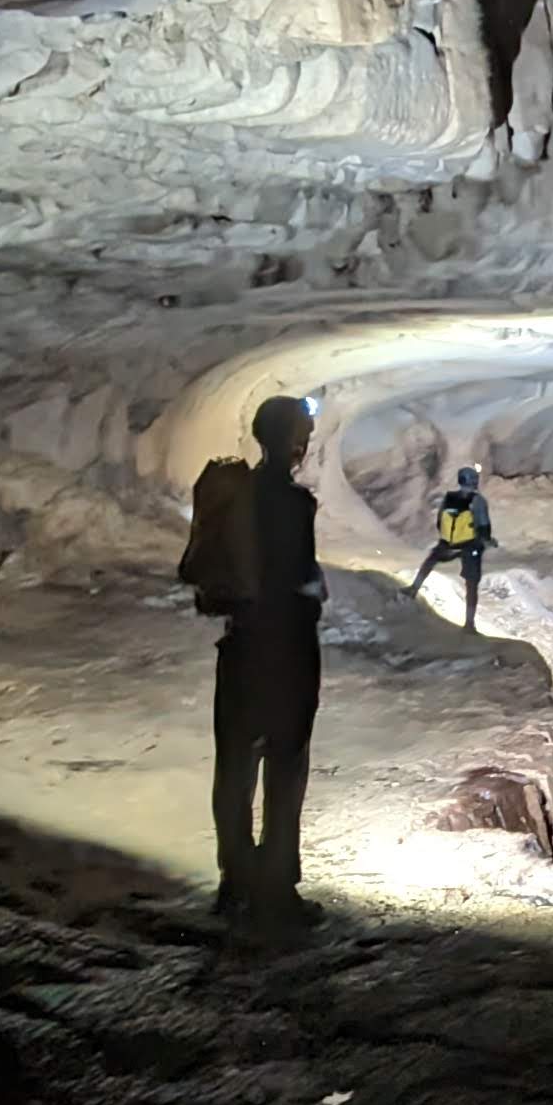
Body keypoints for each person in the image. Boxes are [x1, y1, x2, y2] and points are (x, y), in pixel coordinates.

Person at [180, 394, 326, 928]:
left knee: (235, 768)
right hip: (288, 648)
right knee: (285, 766)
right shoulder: (295, 504)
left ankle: (235, 884)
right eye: (304, 430)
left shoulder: (237, 495)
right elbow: (297, 576)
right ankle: (277, 888)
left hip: (241, 646)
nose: (307, 440)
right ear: (293, 439)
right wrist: (313, 591)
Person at [411, 462, 493, 629]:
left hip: (448, 543)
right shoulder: (478, 501)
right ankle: (469, 623)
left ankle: (413, 588)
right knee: (471, 583)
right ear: (474, 482)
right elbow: (483, 525)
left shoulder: (449, 498)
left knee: (431, 560)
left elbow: (440, 521)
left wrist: (448, 539)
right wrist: (485, 540)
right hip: (470, 545)